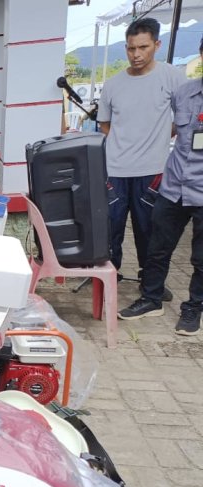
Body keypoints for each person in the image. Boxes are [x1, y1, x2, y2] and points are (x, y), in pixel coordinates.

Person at [117, 37, 203, 336]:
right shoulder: (184, 92)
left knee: (200, 257)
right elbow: (172, 129)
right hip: (175, 185)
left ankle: (193, 309)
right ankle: (152, 298)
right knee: (156, 246)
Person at [97, 17, 186, 296]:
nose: (136, 54)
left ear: (157, 45)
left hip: (153, 170)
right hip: (115, 170)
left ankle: (152, 283)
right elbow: (104, 123)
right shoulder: (113, 85)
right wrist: (123, 143)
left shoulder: (172, 77)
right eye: (131, 48)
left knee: (149, 230)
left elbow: (183, 119)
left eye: (143, 47)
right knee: (110, 230)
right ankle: (109, 280)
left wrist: (160, 137)